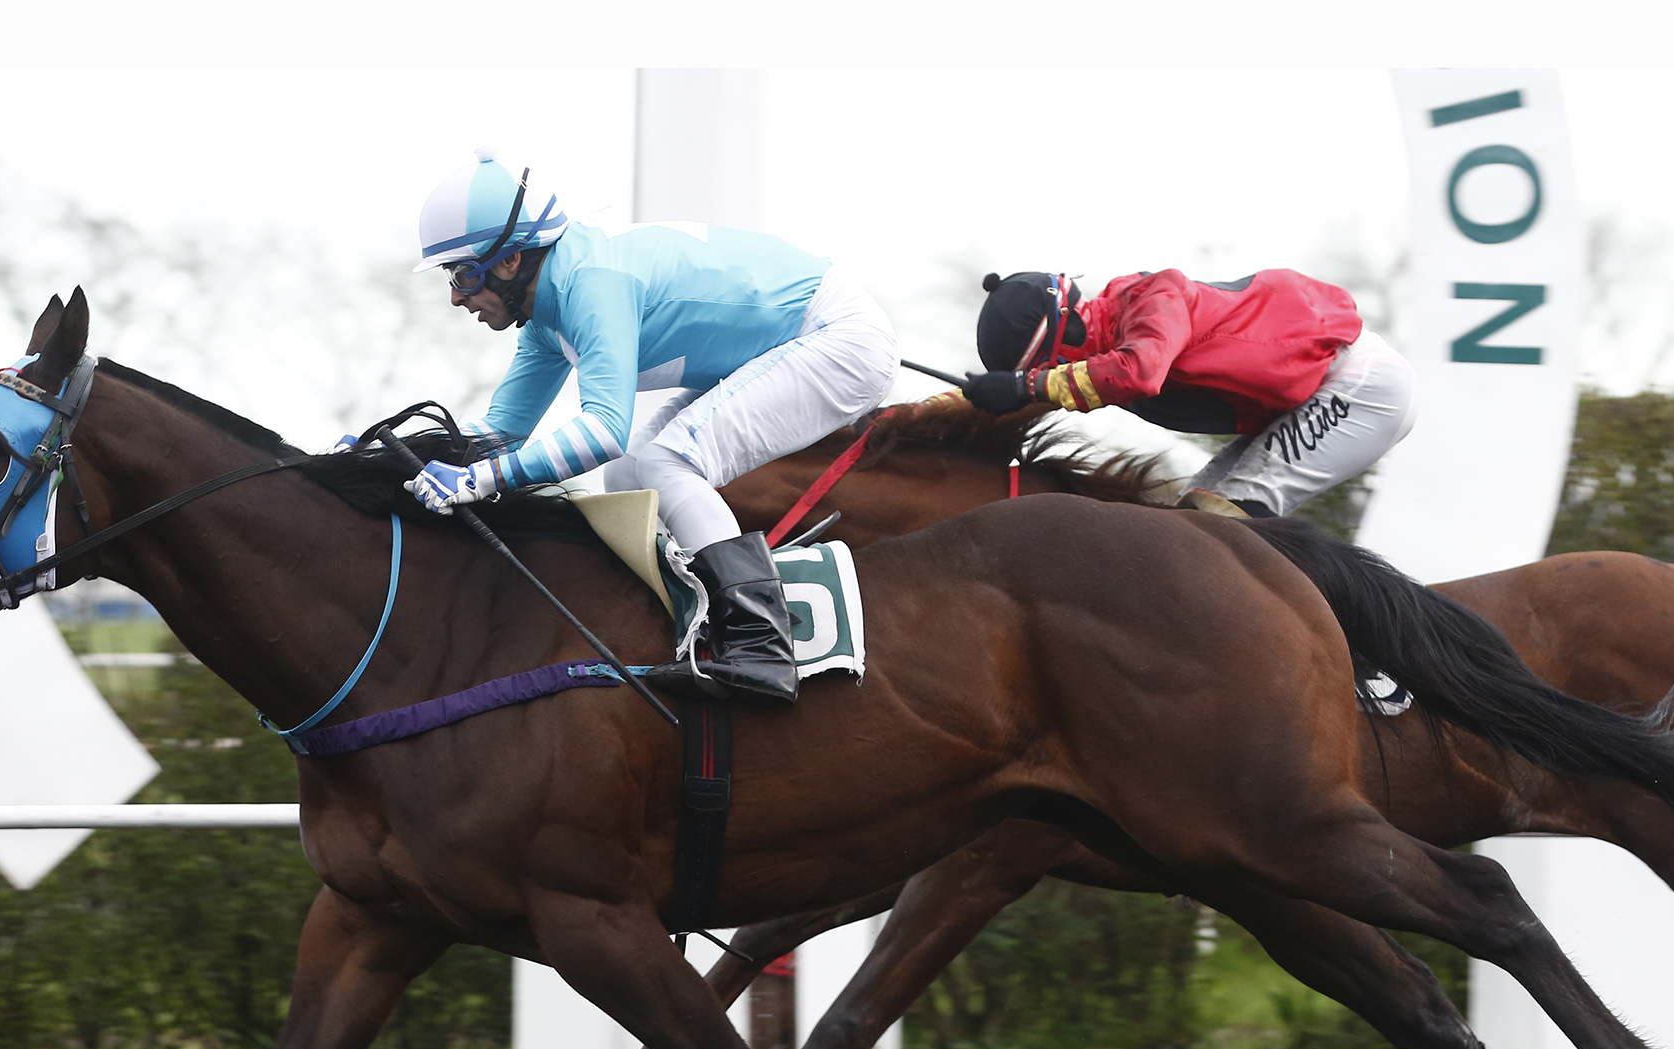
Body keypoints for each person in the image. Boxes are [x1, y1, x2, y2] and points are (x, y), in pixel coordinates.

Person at [403, 151, 899, 705]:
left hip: (839, 339)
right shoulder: (546, 317)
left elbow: (603, 432)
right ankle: (687, 623)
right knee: (630, 474)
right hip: (789, 338)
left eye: (463, 274)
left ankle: (761, 646)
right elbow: (501, 432)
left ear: (511, 261)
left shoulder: (592, 282)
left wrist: (484, 479)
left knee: (665, 463)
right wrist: (395, 455)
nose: (456, 296)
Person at [960, 268, 1415, 520]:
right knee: (1191, 519)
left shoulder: (1152, 297)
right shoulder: (1112, 343)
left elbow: (1138, 373)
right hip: (1315, 396)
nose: (1059, 375)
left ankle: (1350, 644)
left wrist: (1024, 387)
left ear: (1066, 335)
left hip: (1362, 384)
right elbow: (1095, 379)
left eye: (1053, 366)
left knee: (1229, 521)